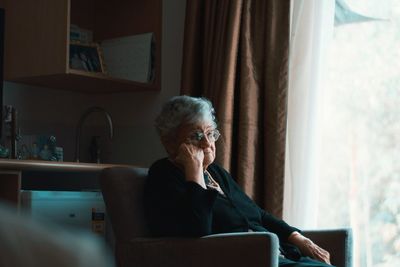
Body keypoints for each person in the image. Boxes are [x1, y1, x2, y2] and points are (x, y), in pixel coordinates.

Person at [144, 95, 332, 266]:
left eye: (210, 134)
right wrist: (194, 172)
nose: (208, 143)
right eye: (196, 136)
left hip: (280, 256)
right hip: (247, 260)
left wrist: (299, 239)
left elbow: (258, 215)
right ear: (169, 143)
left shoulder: (217, 173)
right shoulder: (163, 175)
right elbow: (198, 230)